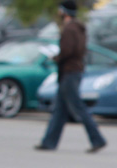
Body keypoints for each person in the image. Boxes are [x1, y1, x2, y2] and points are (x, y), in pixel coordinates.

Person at [35, 0, 106, 153]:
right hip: (74, 70)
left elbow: (68, 51)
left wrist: (56, 57)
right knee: (59, 110)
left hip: (69, 72)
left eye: (60, 10)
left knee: (78, 107)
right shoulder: (79, 28)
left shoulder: (69, 29)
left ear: (64, 12)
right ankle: (49, 142)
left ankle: (97, 139)